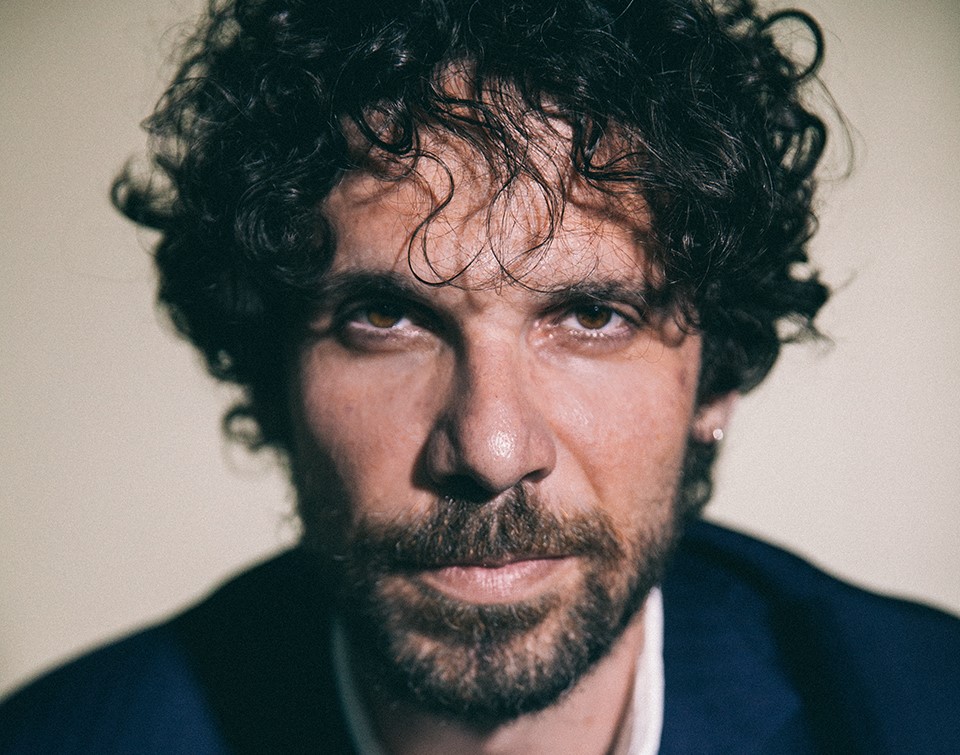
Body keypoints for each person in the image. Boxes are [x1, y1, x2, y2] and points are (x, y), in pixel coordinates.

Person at [1, 0, 958, 752]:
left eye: (592, 315)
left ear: (716, 378)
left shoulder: (919, 711)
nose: (493, 450)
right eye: (387, 319)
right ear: (268, 373)